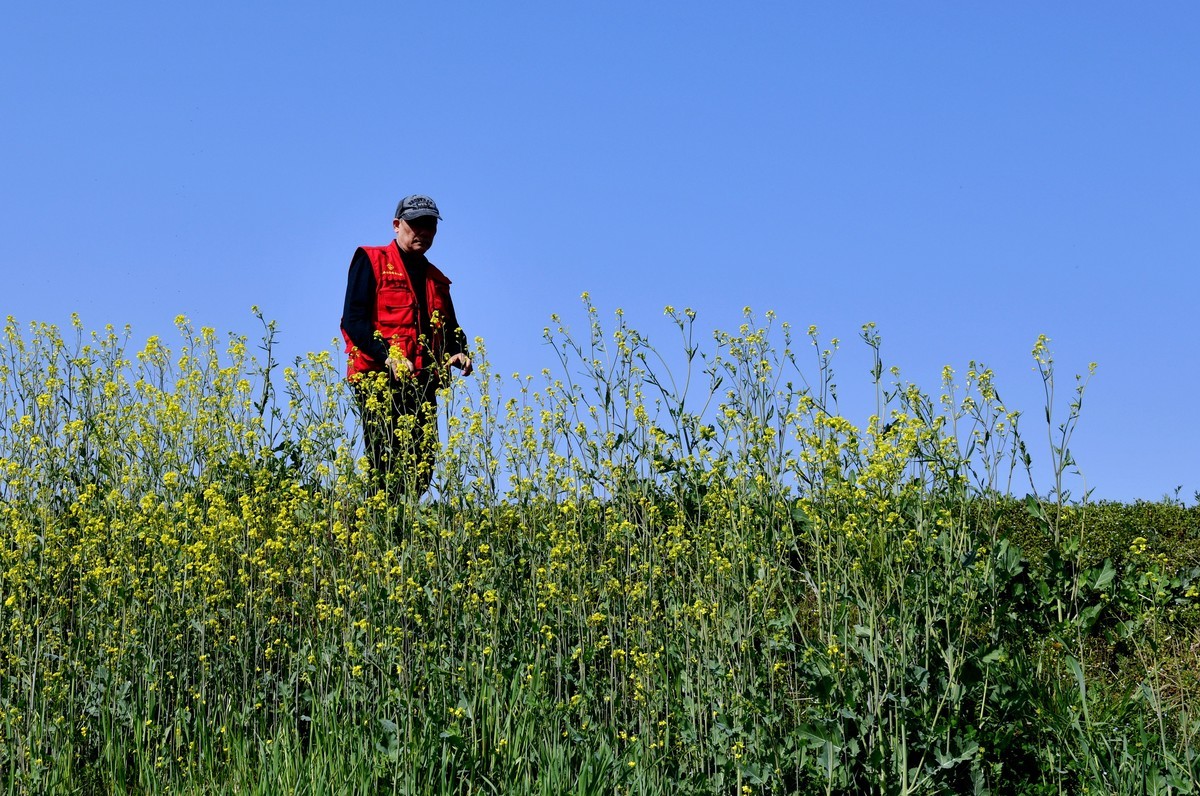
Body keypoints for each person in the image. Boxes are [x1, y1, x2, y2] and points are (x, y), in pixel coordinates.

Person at [340, 194, 472, 494]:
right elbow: (353, 321)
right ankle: (377, 527)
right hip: (379, 378)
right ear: (397, 225)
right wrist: (389, 357)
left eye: (430, 226)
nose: (423, 232)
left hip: (422, 381)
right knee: (385, 462)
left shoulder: (436, 278)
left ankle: (404, 528)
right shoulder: (370, 260)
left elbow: (451, 327)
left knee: (422, 465)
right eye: (416, 225)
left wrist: (459, 351)